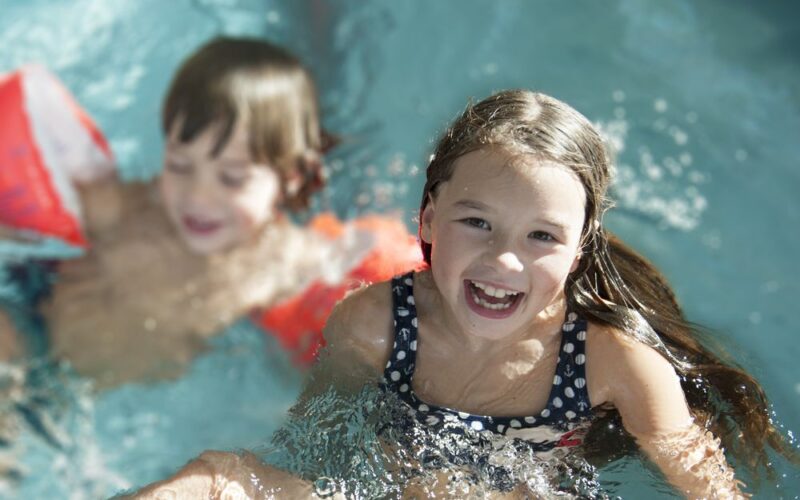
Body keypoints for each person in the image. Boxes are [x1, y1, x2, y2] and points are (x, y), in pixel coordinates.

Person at [128, 90, 798, 499]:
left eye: (541, 236)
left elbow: (712, 490)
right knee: (216, 476)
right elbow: (315, 450)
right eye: (476, 222)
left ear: (578, 250)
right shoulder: (373, 324)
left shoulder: (614, 362)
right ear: (426, 221)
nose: (503, 259)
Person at [0, 36, 422, 387]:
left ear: (291, 177)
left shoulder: (276, 265)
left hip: (65, 388)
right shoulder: (133, 207)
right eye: (180, 166)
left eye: (231, 178)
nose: (198, 196)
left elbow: (343, 273)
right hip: (29, 312)